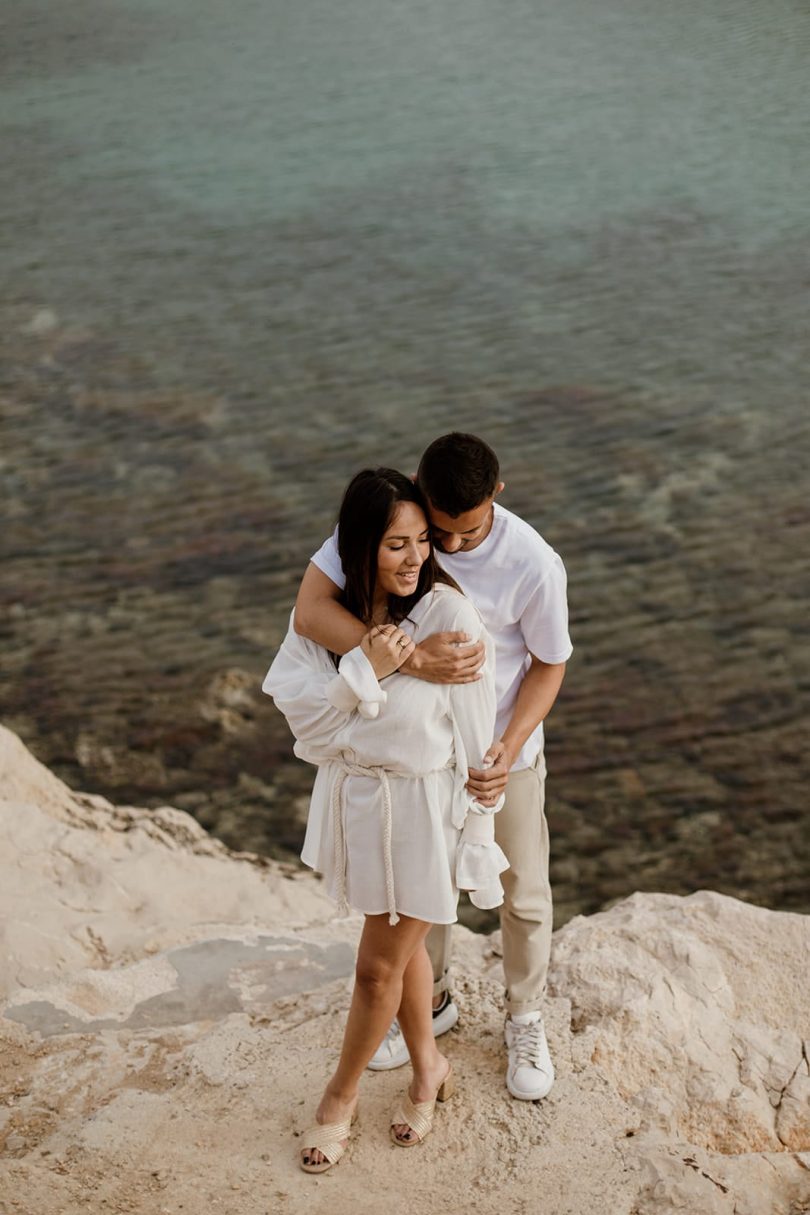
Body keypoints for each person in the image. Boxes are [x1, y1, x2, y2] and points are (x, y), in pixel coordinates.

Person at [294, 432, 572, 1101]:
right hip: (419, 755)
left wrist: (508, 744)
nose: (440, 548)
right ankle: (435, 1001)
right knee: (422, 892)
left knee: (523, 891)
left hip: (498, 752)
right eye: (433, 532)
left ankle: (524, 1016)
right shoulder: (398, 521)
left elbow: (550, 663)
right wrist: (412, 657)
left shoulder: (533, 562)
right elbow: (310, 611)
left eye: (461, 533)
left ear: (495, 498)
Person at [263, 468, 508, 1172]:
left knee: (375, 969)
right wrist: (367, 666)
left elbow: (474, 741)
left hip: (427, 811)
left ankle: (337, 1100)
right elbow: (301, 719)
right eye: (396, 544)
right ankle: (429, 1066)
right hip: (359, 806)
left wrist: (478, 833)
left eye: (423, 542)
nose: (414, 558)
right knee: (402, 957)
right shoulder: (334, 619)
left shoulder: (452, 621)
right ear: (362, 547)